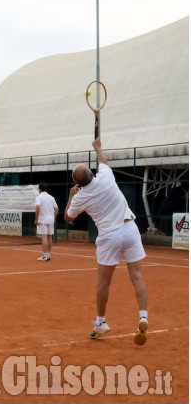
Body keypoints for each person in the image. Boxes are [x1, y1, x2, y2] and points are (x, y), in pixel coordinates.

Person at [64, 138, 148, 345]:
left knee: (103, 282)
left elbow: (67, 218)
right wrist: (98, 148)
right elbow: (104, 161)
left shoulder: (80, 197)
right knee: (137, 276)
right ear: (92, 174)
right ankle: (143, 317)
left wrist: (71, 196)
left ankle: (100, 322)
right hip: (130, 228)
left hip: (109, 237)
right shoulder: (106, 176)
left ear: (78, 183)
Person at [34, 182, 59, 261]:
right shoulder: (51, 197)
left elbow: (38, 207)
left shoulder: (39, 197)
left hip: (43, 219)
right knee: (49, 237)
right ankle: (48, 254)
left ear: (40, 189)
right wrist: (54, 218)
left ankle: (45, 256)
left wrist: (36, 219)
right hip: (50, 219)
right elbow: (56, 209)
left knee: (44, 236)